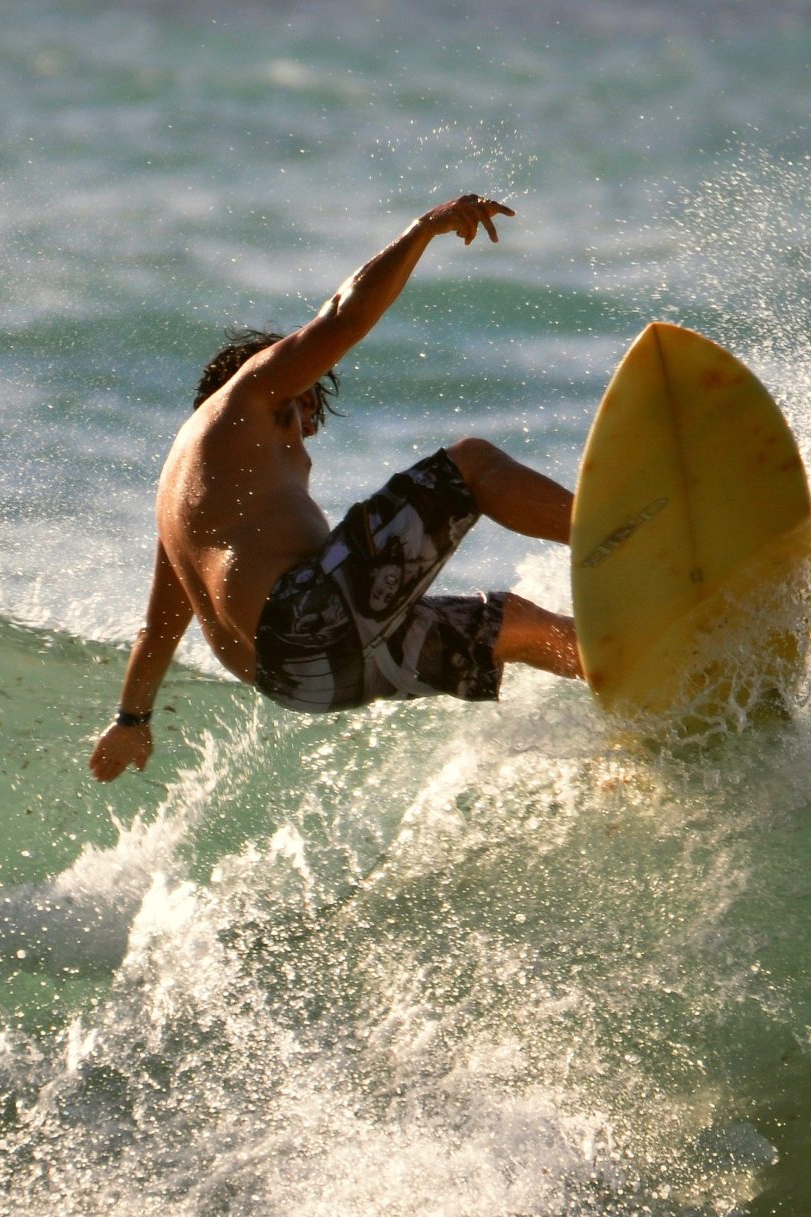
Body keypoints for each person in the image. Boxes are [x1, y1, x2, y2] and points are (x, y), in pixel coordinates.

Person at [88, 194, 582, 782]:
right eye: (308, 407)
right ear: (280, 380)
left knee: (514, 625)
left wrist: (132, 719)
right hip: (308, 617)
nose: (310, 430)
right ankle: (615, 530)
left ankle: (650, 683)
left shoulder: (186, 498)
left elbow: (162, 627)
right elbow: (344, 317)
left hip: (304, 682)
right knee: (470, 463)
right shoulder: (247, 396)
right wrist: (425, 229)